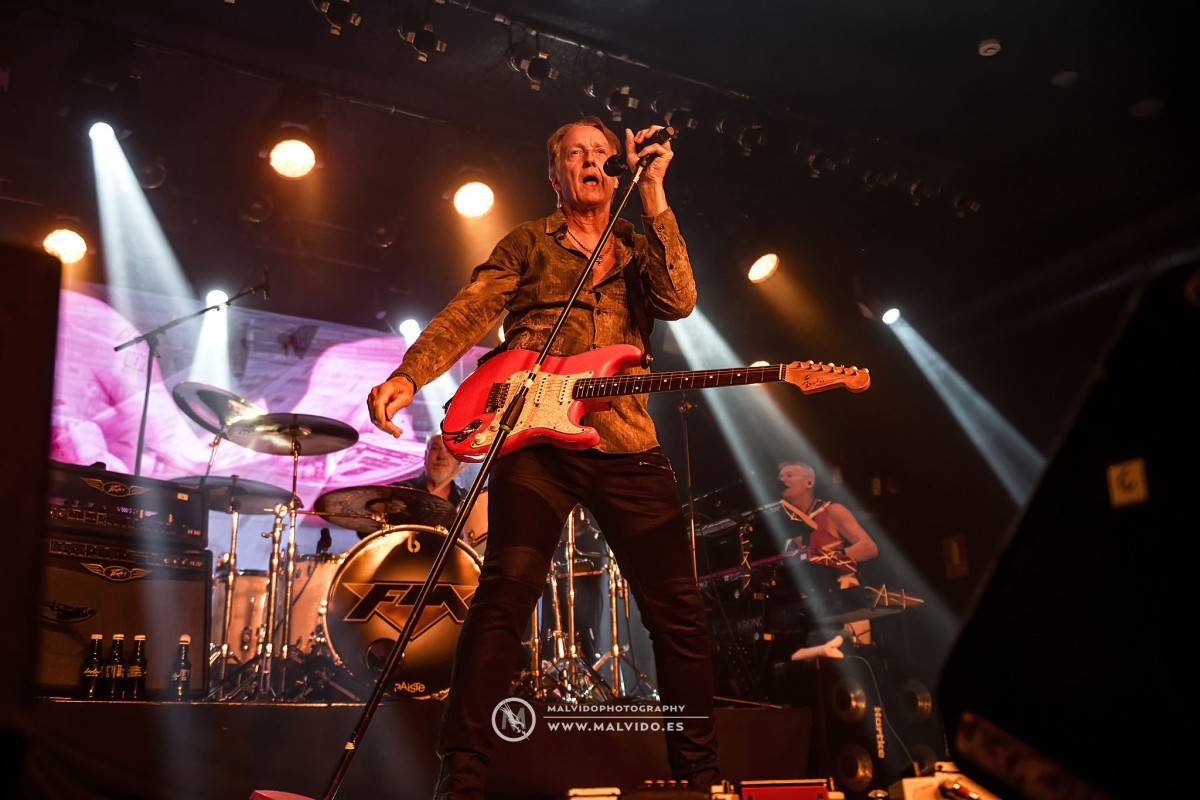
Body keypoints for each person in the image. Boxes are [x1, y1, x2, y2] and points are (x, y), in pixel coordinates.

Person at [368, 116, 719, 799]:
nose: (591, 161)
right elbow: (469, 312)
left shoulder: (635, 242)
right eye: (575, 154)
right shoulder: (528, 242)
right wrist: (410, 374)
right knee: (503, 597)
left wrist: (653, 193)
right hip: (533, 438)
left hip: (626, 440)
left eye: (601, 153)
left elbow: (678, 301)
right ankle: (461, 779)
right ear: (555, 174)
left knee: (678, 612)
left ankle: (699, 780)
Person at [777, 461, 879, 653]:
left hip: (845, 606)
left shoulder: (832, 511)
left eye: (790, 475)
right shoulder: (783, 524)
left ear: (809, 483)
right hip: (808, 612)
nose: (783, 480)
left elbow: (869, 547)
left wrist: (827, 557)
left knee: (854, 664)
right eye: (781, 476)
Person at [394, 434, 489, 555]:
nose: (441, 456)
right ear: (425, 456)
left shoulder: (468, 502)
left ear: (458, 462)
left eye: (448, 451)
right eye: (435, 448)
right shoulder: (400, 492)